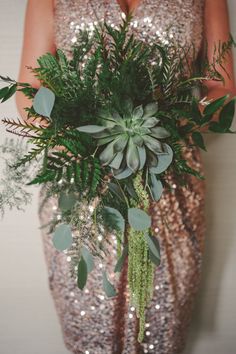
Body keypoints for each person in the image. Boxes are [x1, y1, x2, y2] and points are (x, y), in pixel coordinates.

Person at [16, 1, 236, 354]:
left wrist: (169, 127)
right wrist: (74, 137)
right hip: (80, 185)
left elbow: (222, 92)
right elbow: (30, 87)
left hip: (170, 184)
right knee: (89, 330)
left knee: (161, 328)